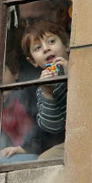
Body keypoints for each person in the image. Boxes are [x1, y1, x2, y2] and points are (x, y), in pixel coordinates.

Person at [21, 20, 69, 160]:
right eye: (37, 48)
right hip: (74, 140)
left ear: (66, 45)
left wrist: (72, 75)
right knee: (45, 160)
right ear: (33, 62)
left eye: (51, 41)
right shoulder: (43, 88)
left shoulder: (81, 65)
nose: (46, 49)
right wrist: (47, 93)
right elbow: (53, 127)